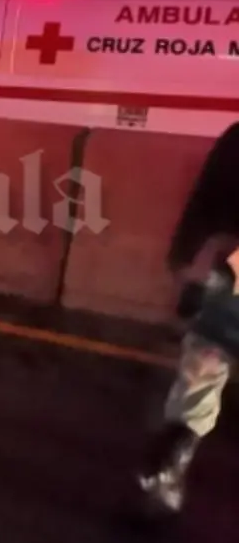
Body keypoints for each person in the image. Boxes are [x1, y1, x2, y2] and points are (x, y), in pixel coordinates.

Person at [137, 122, 239, 516]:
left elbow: (204, 204)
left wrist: (187, 267)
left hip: (225, 271)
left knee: (204, 368)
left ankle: (171, 461)